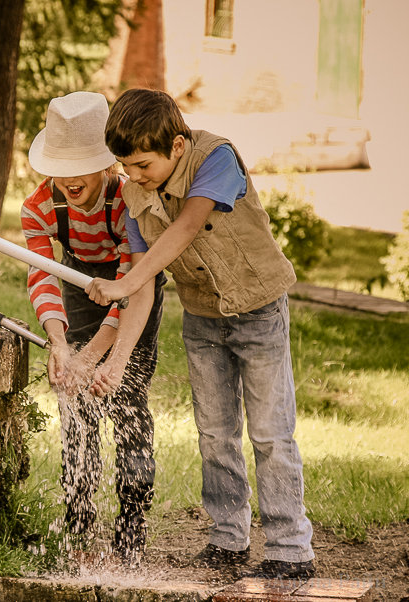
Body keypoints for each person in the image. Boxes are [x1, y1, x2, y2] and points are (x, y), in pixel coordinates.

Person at [84, 88, 315, 578]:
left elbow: (188, 225)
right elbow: (143, 287)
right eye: (125, 168)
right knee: (215, 433)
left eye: (143, 165)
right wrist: (116, 357)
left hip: (258, 311)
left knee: (272, 433)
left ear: (177, 147)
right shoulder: (135, 194)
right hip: (202, 318)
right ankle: (228, 538)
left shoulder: (217, 157)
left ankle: (290, 547)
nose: (133, 177)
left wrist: (126, 278)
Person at [22, 91, 166, 561]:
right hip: (79, 283)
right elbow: (42, 273)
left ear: (107, 163)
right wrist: (60, 345)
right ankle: (79, 520)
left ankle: (132, 521)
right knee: (76, 401)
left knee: (124, 392)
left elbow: (131, 280)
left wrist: (95, 356)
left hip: (134, 282)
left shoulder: (131, 201)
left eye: (79, 164)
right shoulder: (39, 207)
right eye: (58, 166)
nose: (67, 179)